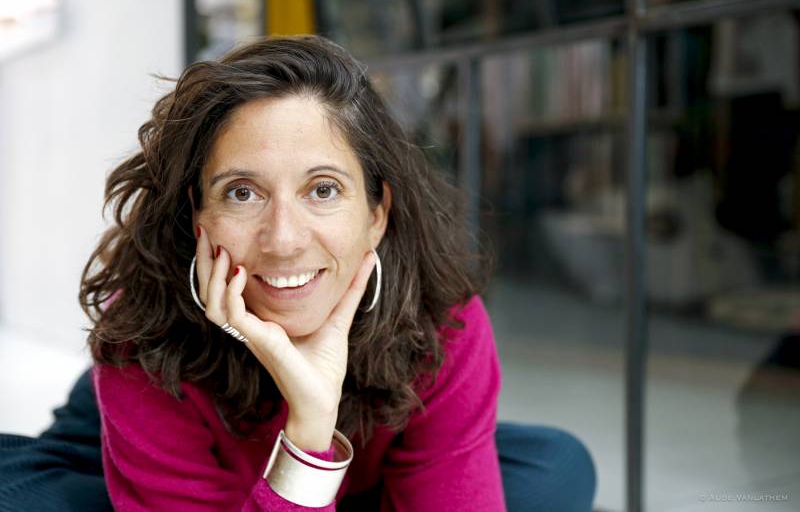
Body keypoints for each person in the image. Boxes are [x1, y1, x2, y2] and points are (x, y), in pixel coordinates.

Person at [0, 35, 597, 512]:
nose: (283, 239)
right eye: (241, 192)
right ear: (196, 215)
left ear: (377, 213)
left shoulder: (443, 323)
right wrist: (310, 430)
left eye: (323, 189)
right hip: (122, 428)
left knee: (553, 468)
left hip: (357, 471)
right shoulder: (144, 331)